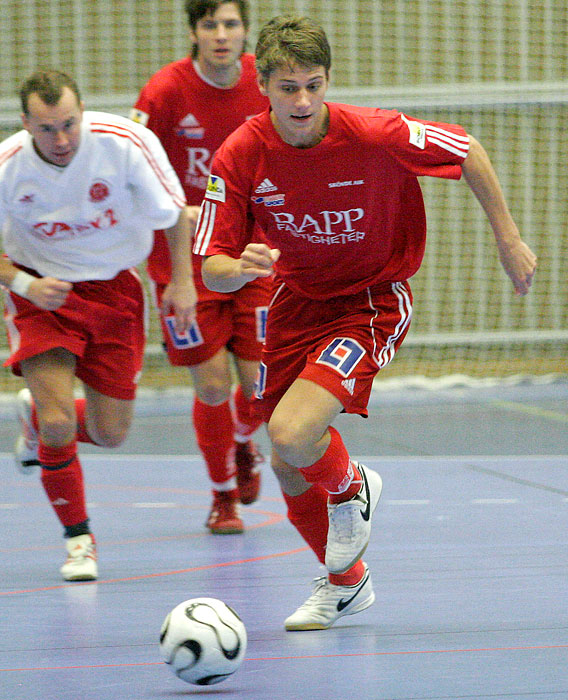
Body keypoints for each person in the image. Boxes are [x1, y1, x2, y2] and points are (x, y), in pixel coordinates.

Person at [194, 15, 537, 630]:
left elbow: (469, 150)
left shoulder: (375, 134)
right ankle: (347, 583)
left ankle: (353, 487)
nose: (302, 101)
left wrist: (508, 241)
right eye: (287, 87)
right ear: (264, 86)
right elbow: (211, 269)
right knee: (285, 460)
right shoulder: (240, 154)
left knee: (295, 434)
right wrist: (238, 267)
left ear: (327, 83)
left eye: (313, 85)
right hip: (297, 302)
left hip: (371, 300)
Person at [0, 70, 195, 581]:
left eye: (69, 124)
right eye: (46, 129)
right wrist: (22, 284)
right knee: (61, 421)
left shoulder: (125, 144)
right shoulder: (8, 166)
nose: (61, 140)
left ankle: (35, 420)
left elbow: (176, 216)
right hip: (42, 294)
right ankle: (79, 540)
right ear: (25, 124)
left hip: (114, 290)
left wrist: (182, 283)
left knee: (111, 433)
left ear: (83, 111)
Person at [131, 0, 271, 535]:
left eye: (231, 24)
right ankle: (223, 498)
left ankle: (241, 441)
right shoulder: (164, 92)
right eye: (210, 24)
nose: (221, 34)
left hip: (252, 252)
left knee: (262, 386)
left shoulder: (266, 81)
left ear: (244, 31)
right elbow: (134, 170)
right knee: (212, 386)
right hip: (182, 257)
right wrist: (181, 269)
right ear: (193, 31)